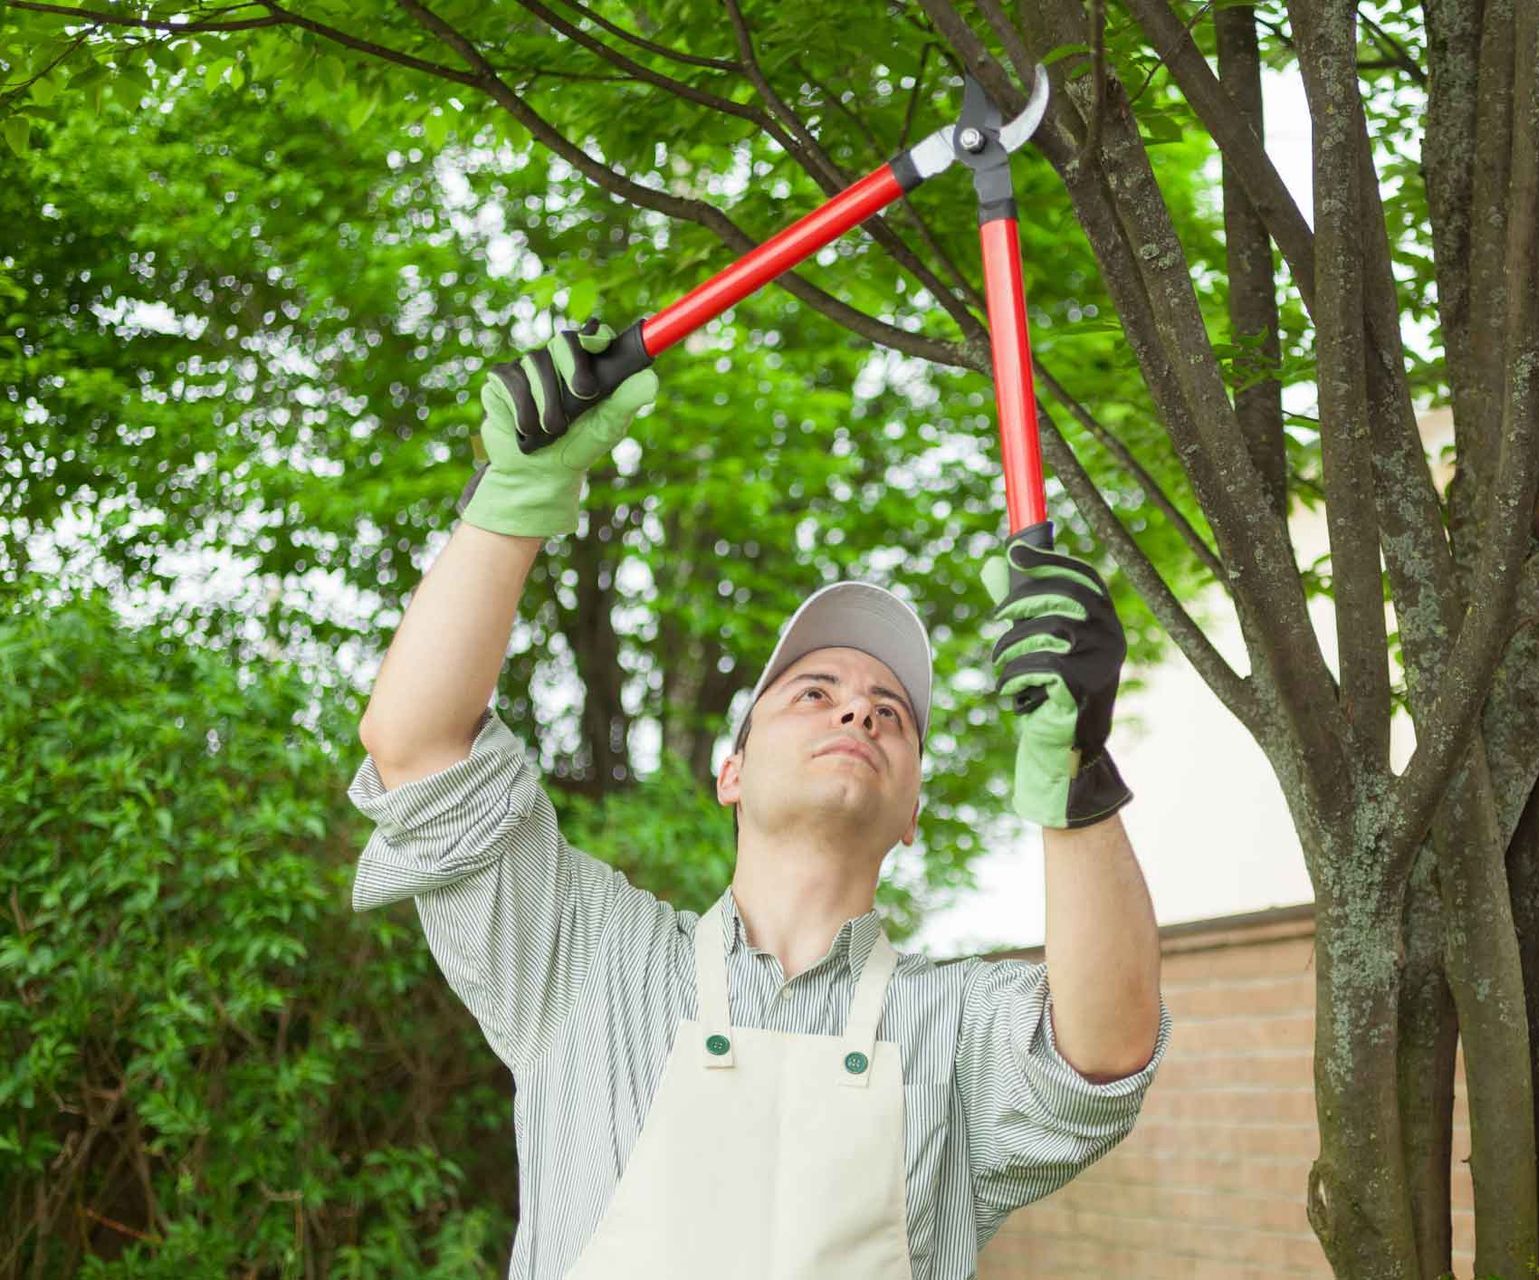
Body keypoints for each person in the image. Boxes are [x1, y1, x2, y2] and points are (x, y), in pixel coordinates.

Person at [348, 320, 1172, 1279]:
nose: (857, 711)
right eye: (814, 693)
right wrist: (513, 502)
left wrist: (1076, 774)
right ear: (729, 772)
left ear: (912, 816)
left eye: (890, 714)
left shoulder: (957, 1032)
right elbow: (417, 749)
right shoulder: (588, 959)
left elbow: (1104, 1053)